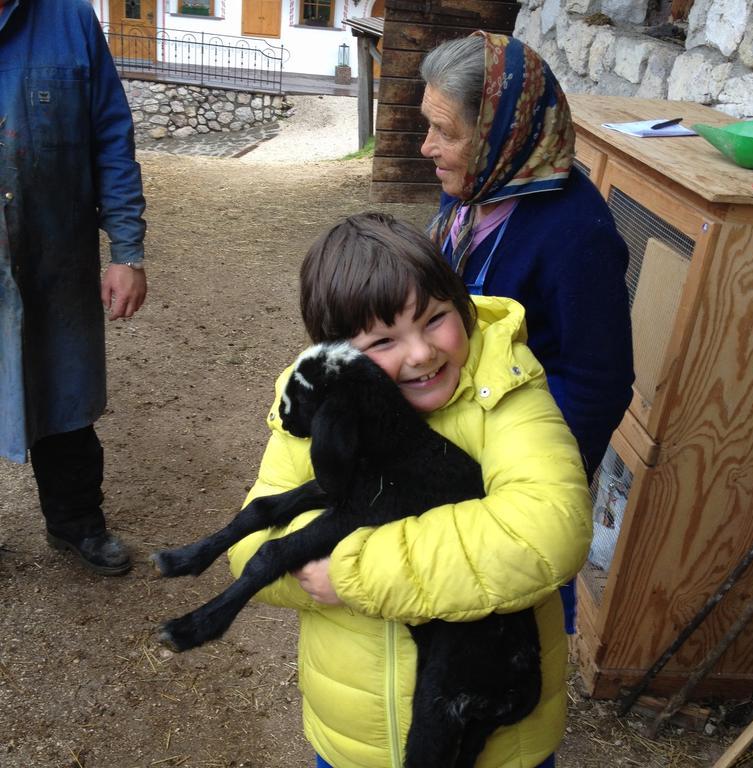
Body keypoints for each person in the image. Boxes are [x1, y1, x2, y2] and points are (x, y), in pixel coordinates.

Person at [228, 213, 592, 768]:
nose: (421, 353)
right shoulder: (321, 412)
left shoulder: (505, 394)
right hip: (357, 737)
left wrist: (350, 574)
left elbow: (547, 530)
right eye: (383, 341)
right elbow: (249, 550)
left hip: (497, 746)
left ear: (462, 306)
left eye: (435, 319)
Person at [420, 32, 634, 633]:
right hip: (456, 427)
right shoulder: (477, 188)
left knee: (503, 614)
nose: (426, 146)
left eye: (447, 132)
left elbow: (600, 382)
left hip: (511, 456)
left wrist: (528, 477)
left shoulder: (576, 233)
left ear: (500, 133)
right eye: (427, 124)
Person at [0, 0, 147, 575]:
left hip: (55, 258)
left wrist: (127, 251)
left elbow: (111, 136)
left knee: (65, 395)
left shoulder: (70, 18)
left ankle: (76, 522)